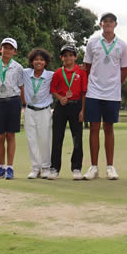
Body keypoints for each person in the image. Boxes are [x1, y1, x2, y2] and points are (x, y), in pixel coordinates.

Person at [82, 12, 127, 180]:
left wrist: (114, 83)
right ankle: (93, 167)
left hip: (112, 94)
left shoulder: (122, 45)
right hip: (94, 92)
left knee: (109, 128)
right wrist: (96, 82)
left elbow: (124, 69)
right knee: (94, 128)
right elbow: (87, 67)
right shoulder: (93, 42)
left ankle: (110, 167)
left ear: (116, 24)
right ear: (101, 24)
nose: (108, 24)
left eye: (111, 21)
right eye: (105, 21)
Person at [0, 37, 24, 180]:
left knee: (11, 135)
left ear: (15, 52)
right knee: (0, 136)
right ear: (0, 49)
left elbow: (21, 87)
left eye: (10, 48)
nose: (7, 50)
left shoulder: (18, 67)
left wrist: (23, 105)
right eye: (5, 47)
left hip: (13, 102)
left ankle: (10, 168)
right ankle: (1, 167)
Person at [48, 44, 87, 180]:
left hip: (76, 106)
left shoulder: (81, 71)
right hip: (61, 107)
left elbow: (84, 93)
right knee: (57, 138)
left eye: (71, 55)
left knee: (77, 138)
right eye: (65, 56)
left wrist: (83, 110)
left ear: (75, 57)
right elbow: (53, 90)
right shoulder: (58, 72)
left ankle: (76, 168)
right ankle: (54, 168)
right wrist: (60, 97)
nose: (68, 58)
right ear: (61, 58)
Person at [22, 48, 54, 179]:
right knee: (31, 140)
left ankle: (46, 167)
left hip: (44, 111)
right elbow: (11, 67)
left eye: (41, 59)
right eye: (36, 59)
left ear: (46, 62)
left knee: (45, 140)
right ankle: (35, 168)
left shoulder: (51, 75)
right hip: (29, 110)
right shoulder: (25, 73)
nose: (38, 62)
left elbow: (66, 72)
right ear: (31, 61)